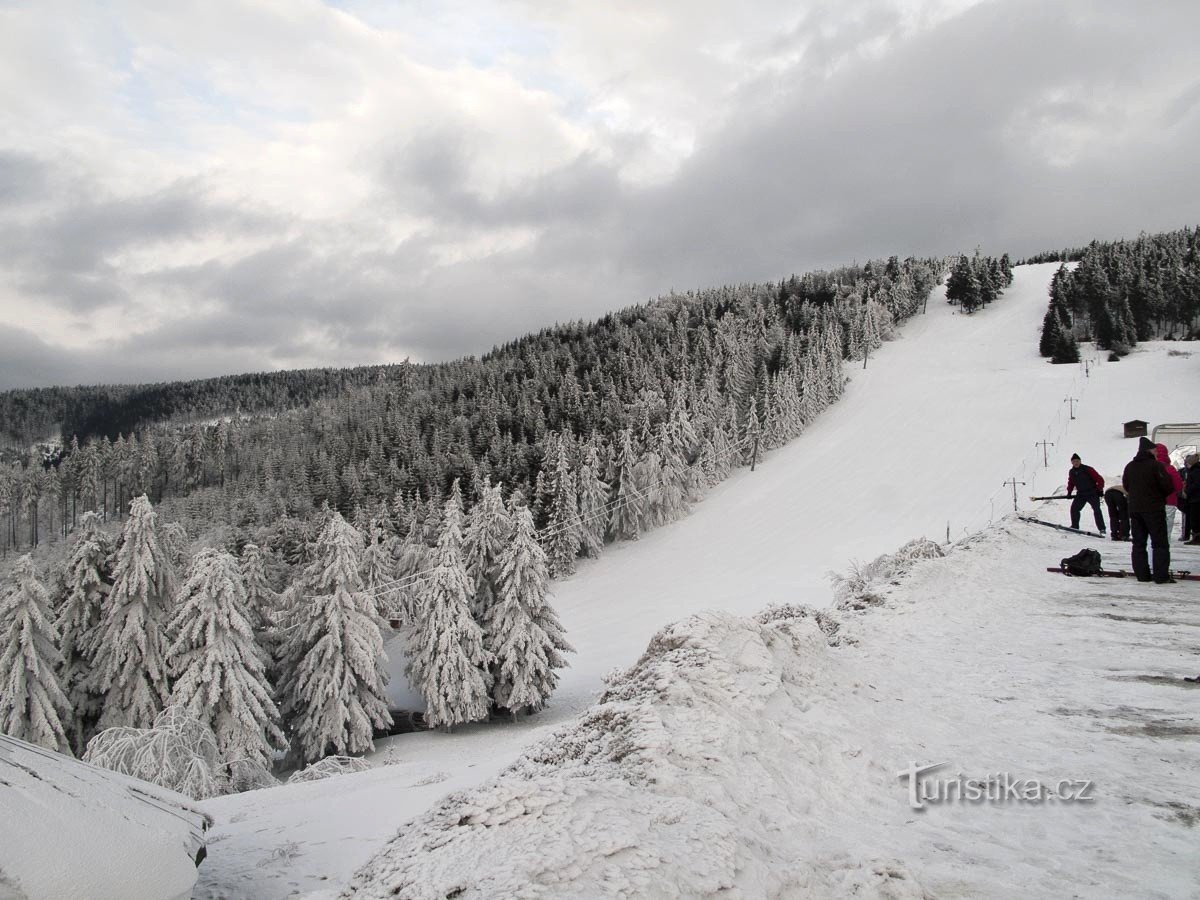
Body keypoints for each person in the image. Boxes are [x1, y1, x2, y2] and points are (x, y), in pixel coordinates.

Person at [1123, 436, 1175, 583]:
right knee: (1159, 543)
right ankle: (1160, 576)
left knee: (1139, 543)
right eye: (1154, 450)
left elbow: (1126, 486)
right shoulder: (1156, 466)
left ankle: (1142, 575)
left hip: (1135, 509)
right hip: (1153, 509)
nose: (1157, 452)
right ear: (1149, 450)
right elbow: (1168, 486)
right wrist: (1158, 496)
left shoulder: (1130, 466)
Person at [1066, 453, 1105, 534]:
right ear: (1071, 463)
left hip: (1092, 493)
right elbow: (1071, 482)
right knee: (1074, 509)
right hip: (1081, 494)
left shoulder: (1088, 469)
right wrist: (1069, 492)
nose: (1076, 463)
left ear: (1080, 461)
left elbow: (1099, 479)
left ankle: (1102, 528)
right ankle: (1075, 526)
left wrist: (1100, 490)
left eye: (1077, 461)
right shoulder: (1072, 472)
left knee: (1097, 510)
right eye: (1074, 461)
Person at [1155, 443, 1184, 538]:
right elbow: (1179, 486)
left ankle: (1151, 551)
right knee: (1166, 530)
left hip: (1152, 503)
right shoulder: (1170, 468)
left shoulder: (1148, 467)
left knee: (1153, 531)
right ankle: (1163, 550)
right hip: (1169, 502)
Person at [1183, 453, 1200, 544]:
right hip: (1195, 498)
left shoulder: (1195, 471)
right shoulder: (1195, 470)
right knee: (1194, 518)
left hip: (1196, 498)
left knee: (1195, 519)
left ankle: (1197, 537)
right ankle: (1196, 537)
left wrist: (1188, 490)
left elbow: (1197, 484)